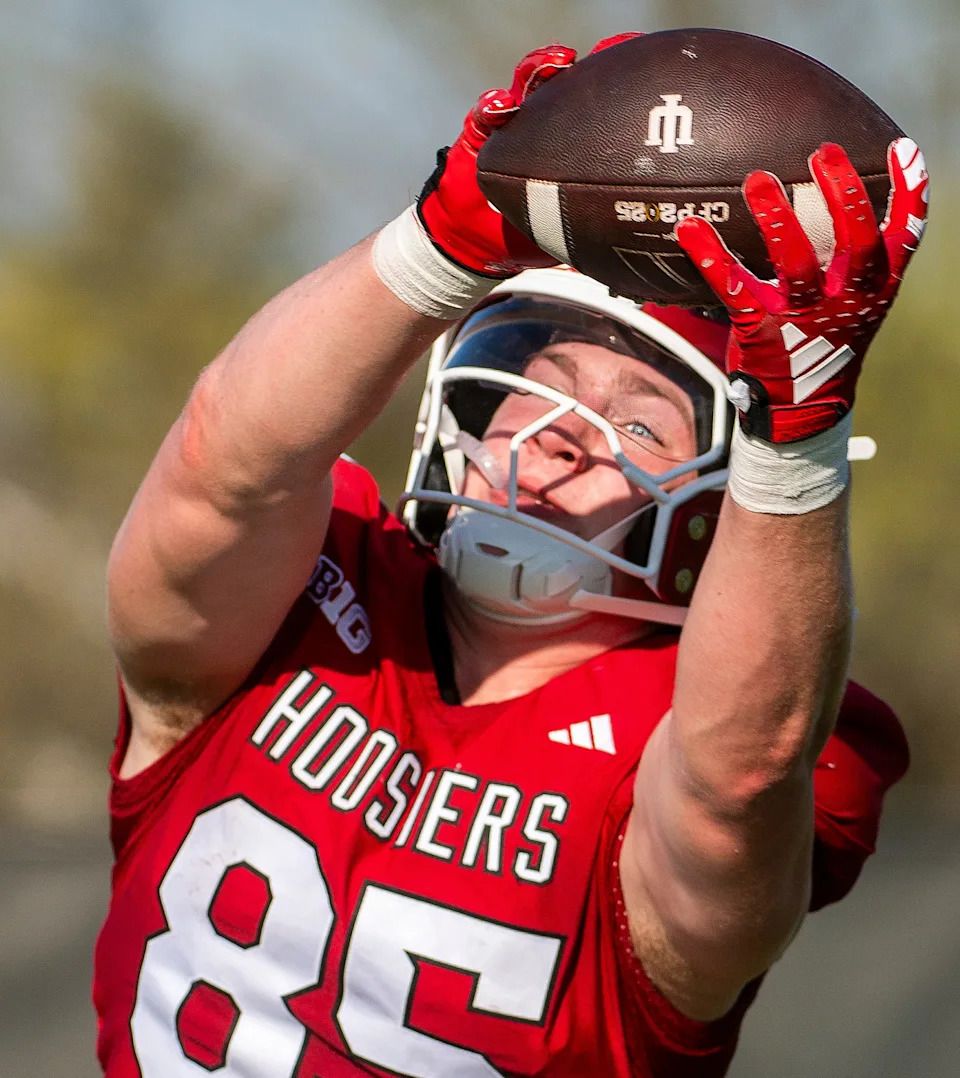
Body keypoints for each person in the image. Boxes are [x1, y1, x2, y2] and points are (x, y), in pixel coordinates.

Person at [93, 38, 927, 1078]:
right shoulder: (308, 593)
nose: (570, 425)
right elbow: (228, 460)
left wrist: (797, 444)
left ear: (723, 510)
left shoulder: (702, 726)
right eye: (545, 373)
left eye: (644, 418)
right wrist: (440, 240)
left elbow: (740, 780)